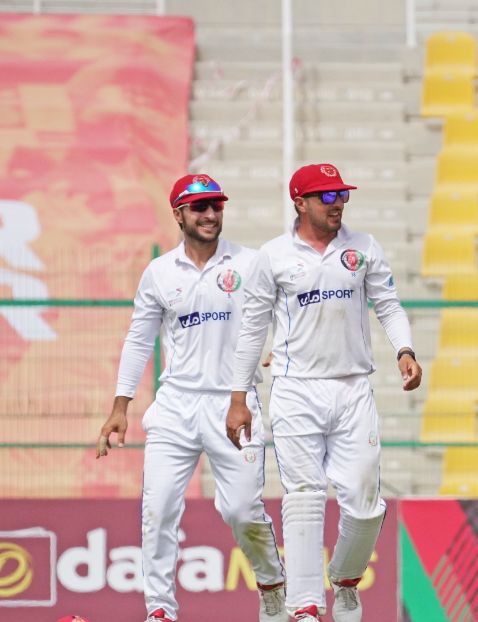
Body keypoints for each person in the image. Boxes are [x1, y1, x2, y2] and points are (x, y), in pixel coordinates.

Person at [226, 163, 422, 622]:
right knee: (304, 495)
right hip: (296, 389)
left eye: (342, 197)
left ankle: (346, 580)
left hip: (353, 388)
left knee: (366, 503)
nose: (338, 205)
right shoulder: (272, 256)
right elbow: (253, 330)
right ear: (300, 202)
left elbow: (388, 304)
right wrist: (238, 398)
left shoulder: (363, 247)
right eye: (327, 197)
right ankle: (304, 606)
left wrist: (405, 349)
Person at [96, 174, 286, 622]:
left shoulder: (250, 262)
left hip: (233, 403)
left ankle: (272, 581)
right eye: (199, 207)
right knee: (158, 508)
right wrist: (120, 408)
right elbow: (139, 340)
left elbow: (286, 310)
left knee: (241, 510)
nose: (210, 215)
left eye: (216, 206)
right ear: (178, 214)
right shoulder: (160, 272)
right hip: (177, 405)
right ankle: (160, 610)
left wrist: (284, 343)